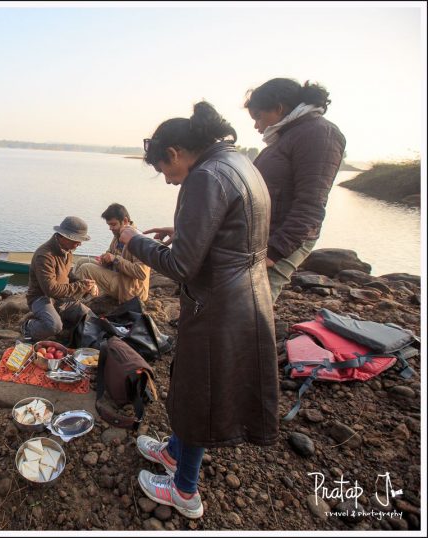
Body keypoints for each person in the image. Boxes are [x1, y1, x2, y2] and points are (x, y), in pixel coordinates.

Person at [118, 102, 278, 519]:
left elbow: (181, 266)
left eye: (165, 172)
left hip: (218, 304)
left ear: (174, 153)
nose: (170, 182)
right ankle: (174, 452)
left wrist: (132, 239)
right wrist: (185, 230)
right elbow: (238, 224)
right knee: (197, 387)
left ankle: (185, 491)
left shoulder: (204, 177)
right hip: (246, 294)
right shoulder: (237, 162)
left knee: (200, 391)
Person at [244, 78, 346, 302]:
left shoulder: (319, 134)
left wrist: (275, 251)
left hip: (284, 236)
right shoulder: (288, 136)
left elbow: (311, 204)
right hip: (266, 233)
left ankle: (251, 337)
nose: (256, 125)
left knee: (254, 301)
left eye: (258, 116)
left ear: (279, 108)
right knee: (242, 300)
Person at [22, 216, 100, 342]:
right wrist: (81, 286)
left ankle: (61, 320)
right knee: (53, 326)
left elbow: (67, 273)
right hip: (41, 297)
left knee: (90, 318)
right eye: (77, 240)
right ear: (64, 236)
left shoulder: (68, 250)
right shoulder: (44, 256)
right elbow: (51, 290)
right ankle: (29, 327)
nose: (79, 244)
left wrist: (85, 284)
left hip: (62, 297)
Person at [75, 203, 150, 304]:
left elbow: (142, 273)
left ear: (125, 221)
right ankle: (76, 292)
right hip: (119, 275)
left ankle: (73, 302)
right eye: (109, 225)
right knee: (81, 261)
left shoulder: (138, 240)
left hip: (132, 289)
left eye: (113, 224)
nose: (110, 228)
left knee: (86, 268)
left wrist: (115, 259)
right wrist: (105, 258)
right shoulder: (119, 233)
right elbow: (111, 252)